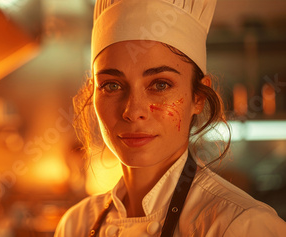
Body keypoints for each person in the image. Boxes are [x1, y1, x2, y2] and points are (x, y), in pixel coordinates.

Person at [54, 0, 286, 236]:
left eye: (160, 84)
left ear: (198, 97)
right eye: (112, 85)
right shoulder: (75, 225)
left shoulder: (241, 225)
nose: (133, 111)